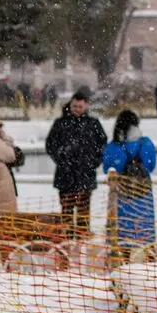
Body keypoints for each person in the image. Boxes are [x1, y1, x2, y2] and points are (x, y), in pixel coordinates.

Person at [45, 86, 106, 233]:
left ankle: (82, 237)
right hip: (65, 174)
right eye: (75, 106)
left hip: (86, 173)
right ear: (70, 105)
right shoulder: (60, 123)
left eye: (80, 106)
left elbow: (103, 145)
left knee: (83, 212)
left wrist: (94, 161)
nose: (77, 109)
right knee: (66, 210)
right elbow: (50, 144)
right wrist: (61, 159)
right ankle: (67, 239)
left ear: (86, 106)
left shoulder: (93, 124)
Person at [104, 109, 157, 250]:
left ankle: (122, 255)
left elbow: (106, 168)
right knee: (144, 226)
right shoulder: (146, 144)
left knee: (122, 227)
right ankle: (148, 251)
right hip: (143, 192)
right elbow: (151, 166)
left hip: (122, 194)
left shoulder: (113, 146)